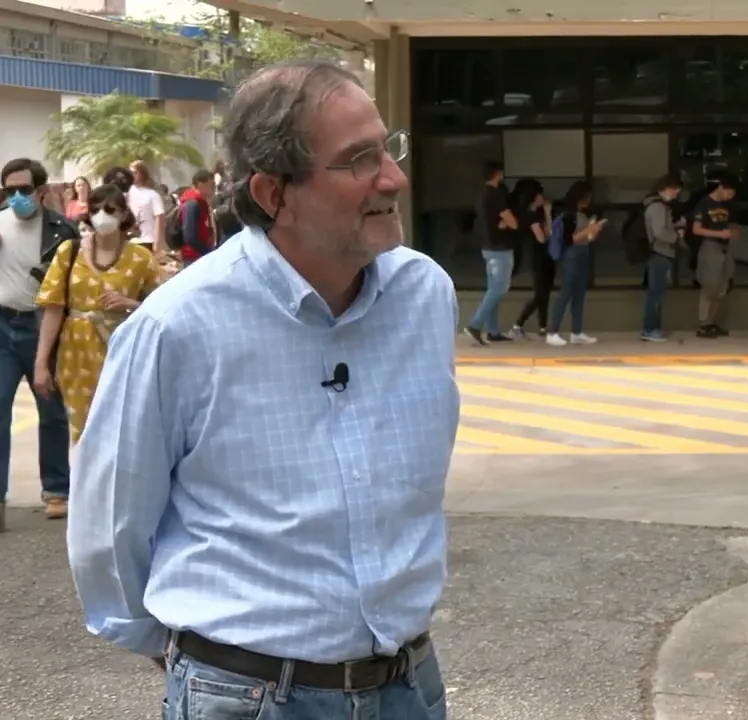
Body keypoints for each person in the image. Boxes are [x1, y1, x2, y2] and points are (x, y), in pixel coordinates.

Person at [66, 60, 456, 720]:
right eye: (359, 160)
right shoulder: (177, 327)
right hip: (246, 696)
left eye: (388, 148)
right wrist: (203, 664)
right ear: (274, 193)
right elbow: (109, 530)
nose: (394, 178)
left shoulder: (425, 296)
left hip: (408, 686)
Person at [33, 184, 156, 441]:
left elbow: (163, 306)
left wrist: (130, 304)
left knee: (120, 430)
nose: (102, 216)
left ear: (123, 214)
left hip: (121, 352)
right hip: (76, 355)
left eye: (110, 210)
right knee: (83, 432)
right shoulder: (69, 251)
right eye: (95, 210)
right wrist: (41, 363)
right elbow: (53, 308)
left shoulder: (141, 258)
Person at [0, 158, 75, 527]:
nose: (16, 197)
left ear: (42, 191)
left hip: (44, 326)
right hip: (3, 324)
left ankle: (57, 490)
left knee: (52, 409)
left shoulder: (63, 231)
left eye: (24, 190)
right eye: (8, 190)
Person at [464, 160, 517, 345]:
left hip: (487, 247)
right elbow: (513, 222)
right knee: (499, 288)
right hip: (500, 248)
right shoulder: (495, 195)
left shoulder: (481, 195)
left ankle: (493, 330)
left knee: (493, 289)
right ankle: (475, 325)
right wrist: (506, 223)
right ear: (498, 174)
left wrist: (502, 223)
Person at [546, 180, 602, 346]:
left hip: (583, 252)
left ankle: (577, 332)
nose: (589, 201)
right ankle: (553, 331)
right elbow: (568, 240)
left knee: (579, 294)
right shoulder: (568, 215)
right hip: (571, 255)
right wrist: (588, 231)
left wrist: (594, 231)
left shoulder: (583, 214)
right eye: (587, 197)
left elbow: (587, 238)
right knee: (566, 292)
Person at [690, 176, 738, 338]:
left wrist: (732, 232)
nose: (729, 197)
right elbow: (696, 229)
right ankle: (703, 324)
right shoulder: (704, 203)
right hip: (711, 246)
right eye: (728, 193)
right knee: (710, 286)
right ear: (721, 188)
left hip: (726, 247)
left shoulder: (727, 205)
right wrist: (719, 234)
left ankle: (711, 322)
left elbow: (730, 223)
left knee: (722, 288)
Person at [640, 173, 684, 342]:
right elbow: (659, 232)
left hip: (657, 254)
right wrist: (676, 237)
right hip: (660, 253)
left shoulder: (654, 205)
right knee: (655, 295)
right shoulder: (658, 207)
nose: (677, 194)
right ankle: (650, 329)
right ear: (666, 188)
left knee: (655, 294)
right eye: (675, 190)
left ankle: (651, 329)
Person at [510, 179, 553, 338]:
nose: (543, 198)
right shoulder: (530, 217)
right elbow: (542, 238)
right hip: (537, 257)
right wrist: (547, 216)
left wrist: (547, 214)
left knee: (545, 292)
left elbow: (548, 232)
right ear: (534, 197)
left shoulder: (538, 214)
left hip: (544, 256)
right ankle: (518, 324)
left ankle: (543, 326)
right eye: (540, 195)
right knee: (539, 294)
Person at [176, 169, 219, 264]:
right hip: (194, 257)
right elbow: (189, 236)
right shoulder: (191, 204)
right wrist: (206, 251)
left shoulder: (201, 203)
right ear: (200, 184)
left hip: (200, 255)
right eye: (211, 185)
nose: (214, 188)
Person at [127, 160, 167, 253]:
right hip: (129, 241)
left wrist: (157, 243)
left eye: (135, 173)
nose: (132, 176)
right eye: (130, 173)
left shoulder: (152, 195)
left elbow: (159, 218)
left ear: (143, 174)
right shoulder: (126, 193)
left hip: (147, 241)